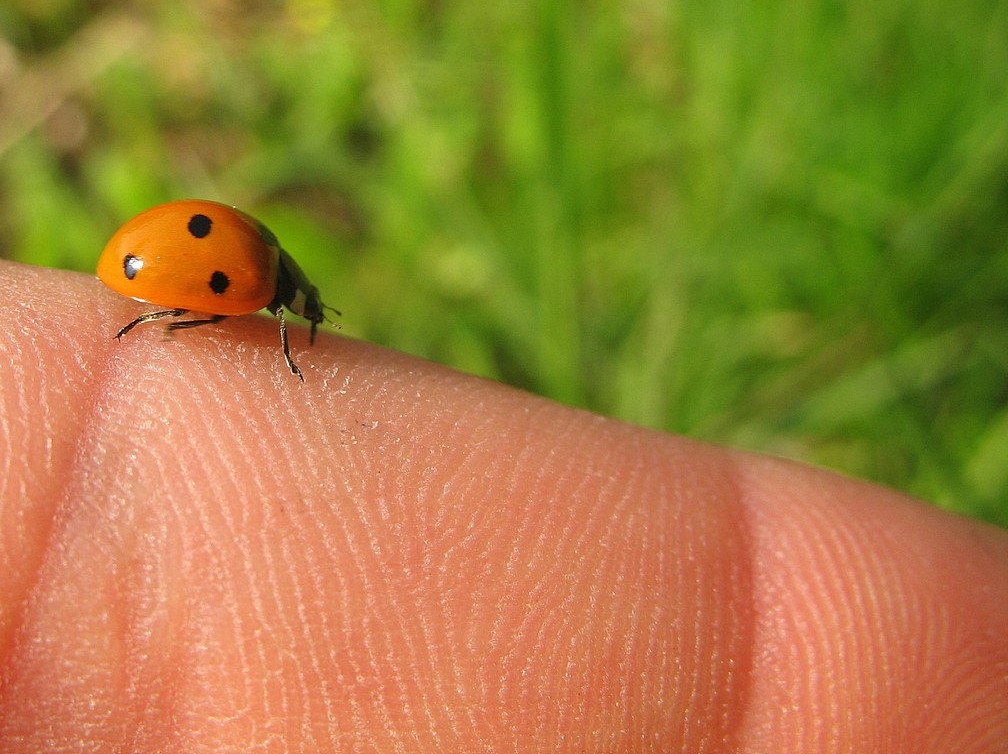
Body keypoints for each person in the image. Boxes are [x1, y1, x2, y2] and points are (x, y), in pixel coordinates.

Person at [1, 258, 1005, 752]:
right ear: (291, 302)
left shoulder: (261, 278)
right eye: (301, 313)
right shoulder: (261, 283)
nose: (303, 321)